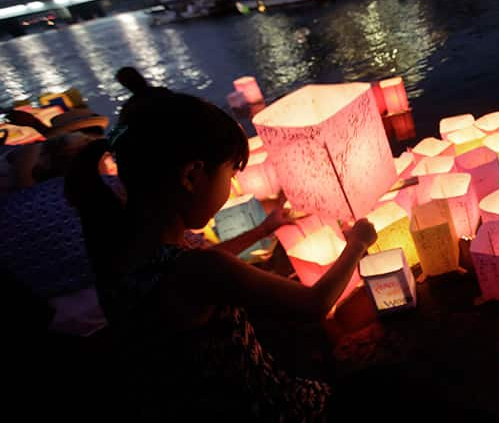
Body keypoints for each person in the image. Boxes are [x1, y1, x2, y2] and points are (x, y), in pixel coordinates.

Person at [64, 71, 377, 420]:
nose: (231, 184)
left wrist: (263, 228)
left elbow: (195, 264)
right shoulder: (201, 272)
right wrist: (358, 244)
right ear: (191, 176)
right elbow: (312, 304)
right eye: (230, 174)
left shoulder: (117, 250)